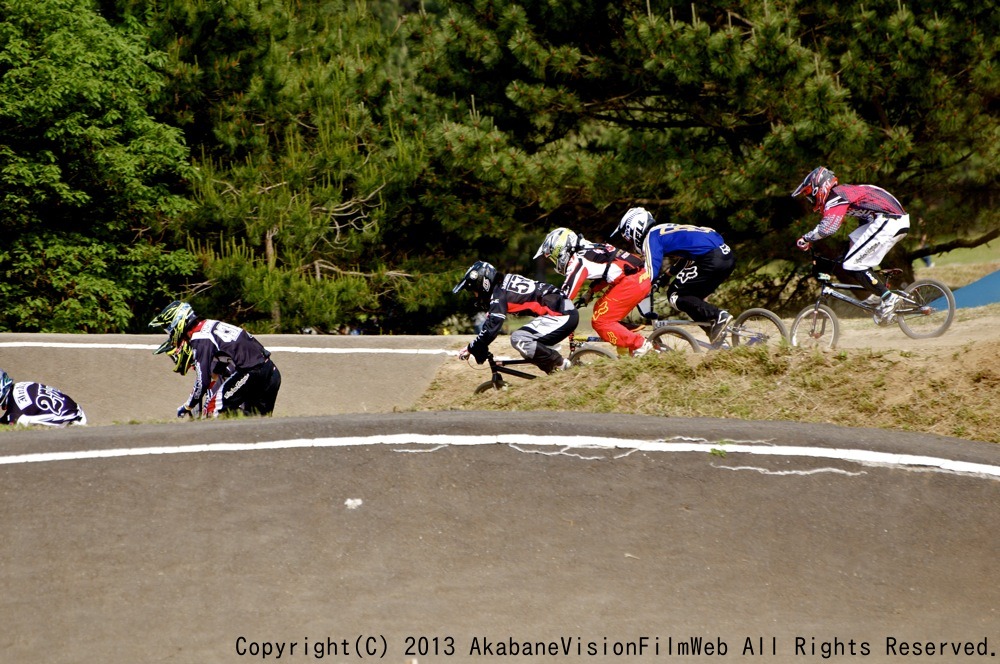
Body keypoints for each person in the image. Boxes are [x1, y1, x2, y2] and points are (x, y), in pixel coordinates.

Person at [792, 166, 910, 323]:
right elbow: (864, 219)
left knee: (852, 264)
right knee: (850, 258)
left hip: (890, 219)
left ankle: (888, 298)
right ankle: (879, 294)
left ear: (819, 188)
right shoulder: (843, 192)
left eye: (809, 195)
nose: (810, 200)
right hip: (884, 220)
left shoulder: (837, 196)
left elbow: (828, 228)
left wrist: (806, 239)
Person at [613, 207, 736, 344]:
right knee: (691, 299)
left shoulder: (651, 237)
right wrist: (668, 275)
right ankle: (716, 335)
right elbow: (689, 254)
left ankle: (719, 316)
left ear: (635, 229)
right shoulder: (665, 229)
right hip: (727, 256)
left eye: (628, 240)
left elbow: (650, 274)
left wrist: (630, 294)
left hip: (711, 259)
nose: (630, 243)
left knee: (675, 294)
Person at [149, 301, 281, 418]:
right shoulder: (209, 324)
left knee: (216, 408)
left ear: (178, 321)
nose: (170, 333)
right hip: (271, 370)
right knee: (257, 421)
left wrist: (188, 406)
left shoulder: (199, 338)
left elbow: (202, 382)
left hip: (252, 371)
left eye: (168, 328)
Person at [534, 227, 654, 357]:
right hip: (639, 278)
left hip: (631, 283)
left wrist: (547, 310)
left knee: (600, 321)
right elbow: (610, 268)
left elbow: (566, 295)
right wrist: (590, 292)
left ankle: (640, 344)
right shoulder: (589, 247)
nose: (554, 262)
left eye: (553, 258)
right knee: (599, 308)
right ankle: (626, 350)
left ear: (561, 250)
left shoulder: (577, 261)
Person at [452, 260, 578, 373]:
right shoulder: (505, 282)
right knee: (529, 351)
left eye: (475, 291)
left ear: (483, 284)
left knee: (519, 339)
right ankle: (556, 374)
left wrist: (472, 348)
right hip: (564, 310)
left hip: (561, 315)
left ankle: (562, 365)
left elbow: (491, 329)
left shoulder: (498, 295)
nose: (476, 296)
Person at [0, 369, 86, 427]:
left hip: (71, 424)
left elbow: (8, 428)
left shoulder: (15, 413)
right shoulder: (24, 384)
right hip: (76, 411)